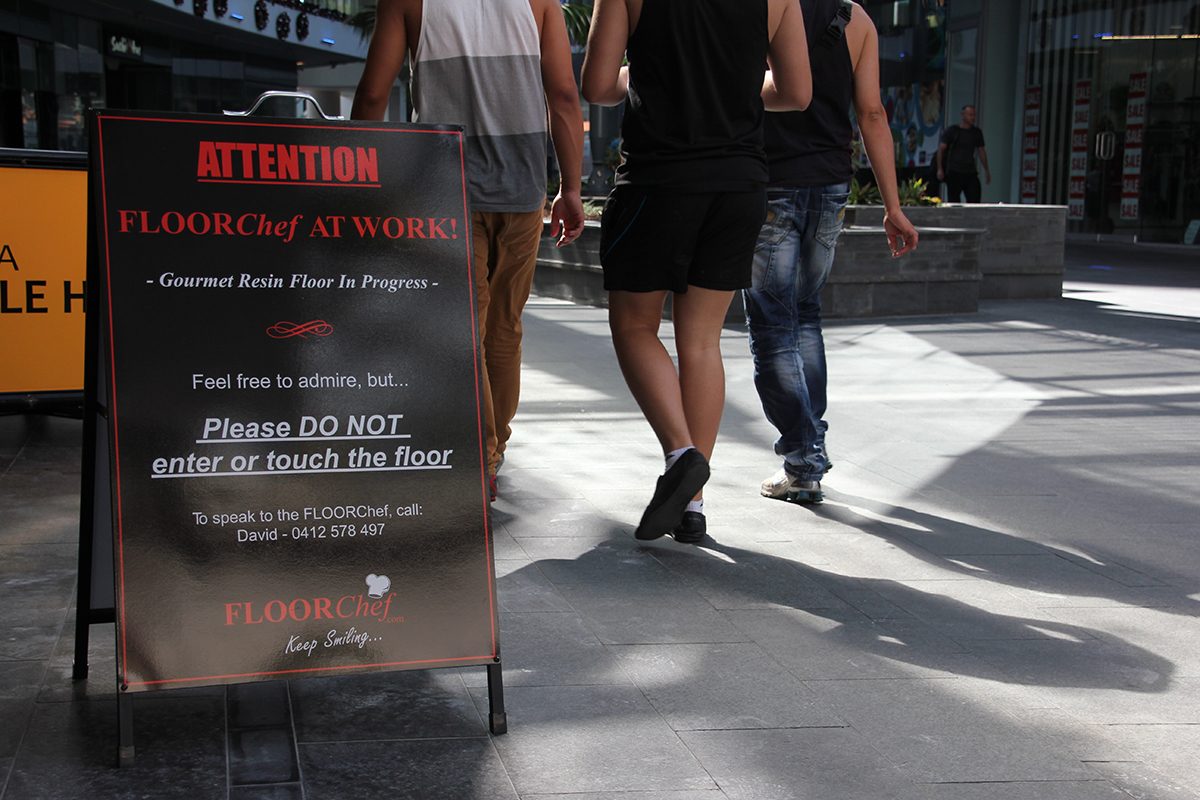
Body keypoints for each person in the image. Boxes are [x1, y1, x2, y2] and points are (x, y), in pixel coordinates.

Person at [581, 0, 812, 543]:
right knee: (702, 342)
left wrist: (658, 76)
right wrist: (725, 86)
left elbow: (596, 85)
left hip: (658, 181)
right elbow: (796, 93)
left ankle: (681, 455)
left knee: (635, 326)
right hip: (739, 185)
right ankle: (692, 505)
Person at [351, 0, 585, 501]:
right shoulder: (540, 3)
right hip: (522, 191)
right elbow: (563, 95)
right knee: (504, 329)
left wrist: (363, 181)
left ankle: (481, 458)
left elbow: (373, 95)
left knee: (465, 333)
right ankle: (490, 454)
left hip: (444, 187)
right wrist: (570, 187)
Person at [748, 0, 919, 505]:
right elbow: (871, 112)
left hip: (772, 182)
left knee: (774, 326)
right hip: (829, 186)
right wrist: (893, 205)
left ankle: (803, 458)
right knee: (804, 319)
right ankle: (805, 458)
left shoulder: (767, 8)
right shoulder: (856, 18)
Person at [937, 104, 991, 203]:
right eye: (970, 115)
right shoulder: (952, 131)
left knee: (974, 199)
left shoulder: (976, 132)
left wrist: (987, 170)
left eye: (974, 115)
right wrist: (940, 168)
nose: (973, 117)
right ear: (963, 115)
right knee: (954, 202)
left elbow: (981, 151)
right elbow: (941, 149)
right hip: (954, 171)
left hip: (970, 172)